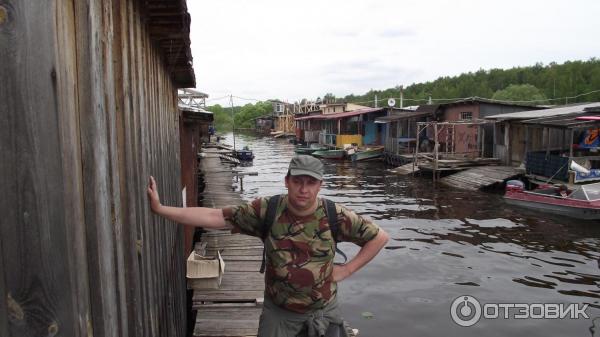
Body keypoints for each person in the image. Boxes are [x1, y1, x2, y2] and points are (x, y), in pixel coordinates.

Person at [147, 155, 389, 337]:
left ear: (320, 185)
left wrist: (347, 270)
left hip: (323, 311)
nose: (304, 189)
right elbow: (214, 216)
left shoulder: (335, 215)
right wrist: (161, 209)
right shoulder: (266, 210)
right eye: (297, 181)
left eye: (310, 182)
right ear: (287, 181)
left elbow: (379, 237)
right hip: (279, 313)